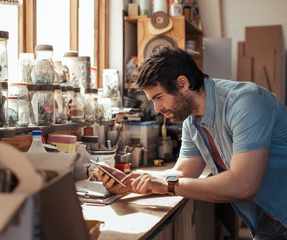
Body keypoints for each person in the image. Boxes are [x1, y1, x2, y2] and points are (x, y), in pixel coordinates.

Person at [98, 46, 287, 239]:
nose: (157, 109)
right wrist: (131, 182)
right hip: (269, 219)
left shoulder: (245, 102)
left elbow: (243, 185)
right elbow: (182, 173)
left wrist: (168, 186)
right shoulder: (192, 120)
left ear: (182, 83)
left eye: (159, 97)